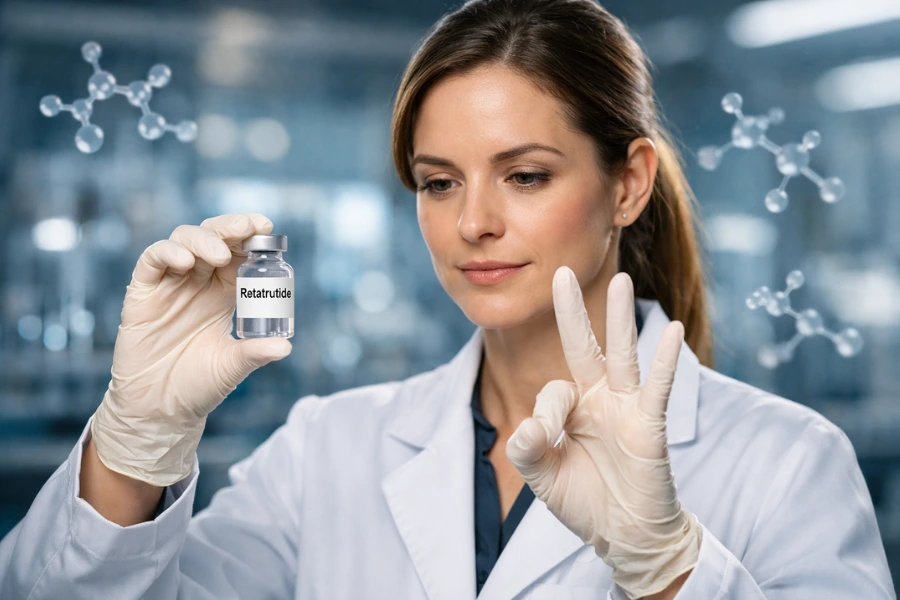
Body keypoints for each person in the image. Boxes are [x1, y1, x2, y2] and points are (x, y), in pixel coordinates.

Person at [1, 0, 895, 598]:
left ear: (628, 185)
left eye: (527, 175)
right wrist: (134, 444)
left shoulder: (786, 463)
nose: (473, 222)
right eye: (438, 182)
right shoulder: (326, 451)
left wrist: (671, 567)